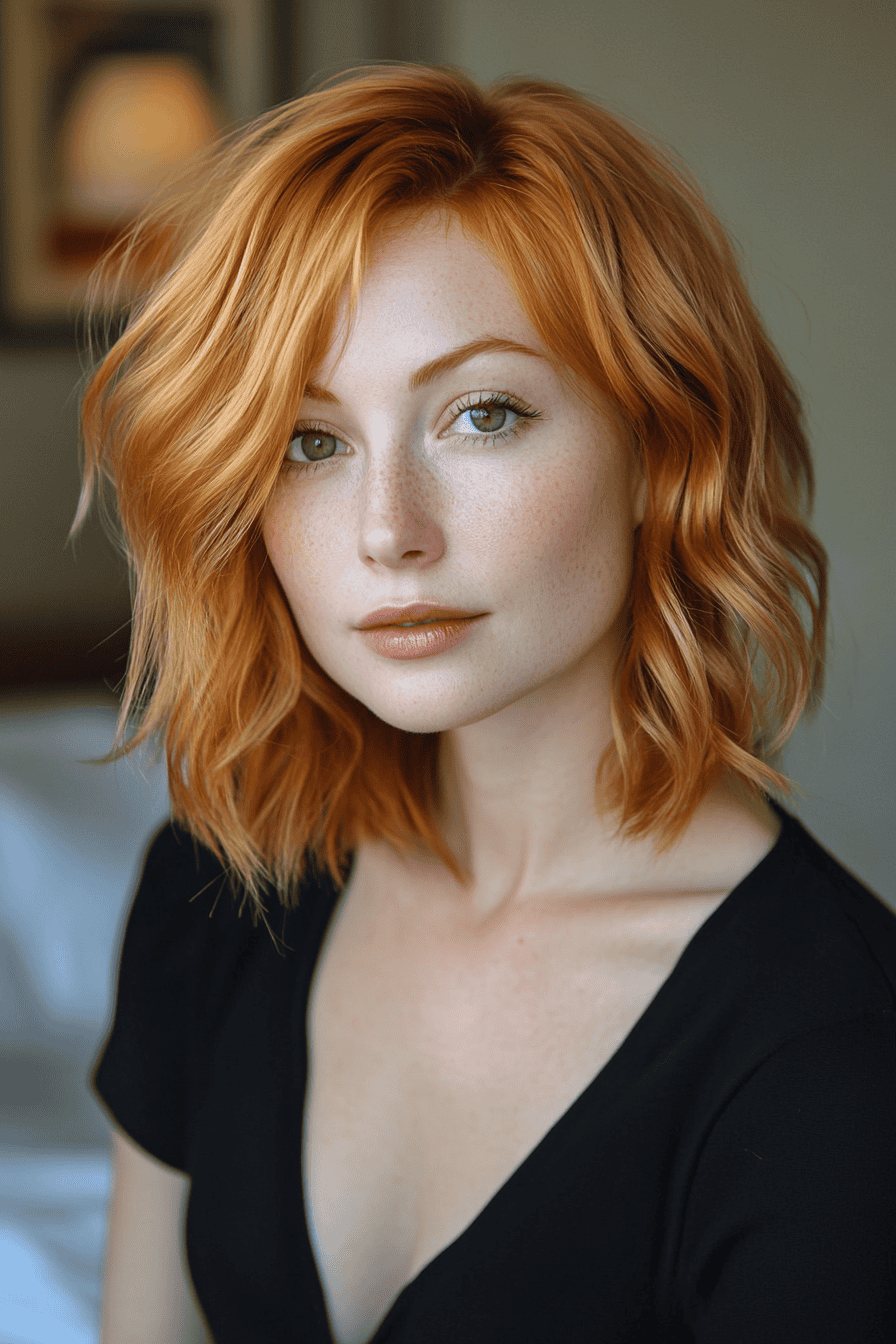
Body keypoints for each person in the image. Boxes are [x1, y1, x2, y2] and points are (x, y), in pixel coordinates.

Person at [81, 64, 896, 1344]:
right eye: (311, 441)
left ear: (659, 448)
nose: (387, 531)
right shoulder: (219, 900)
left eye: (482, 413)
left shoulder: (831, 1061)